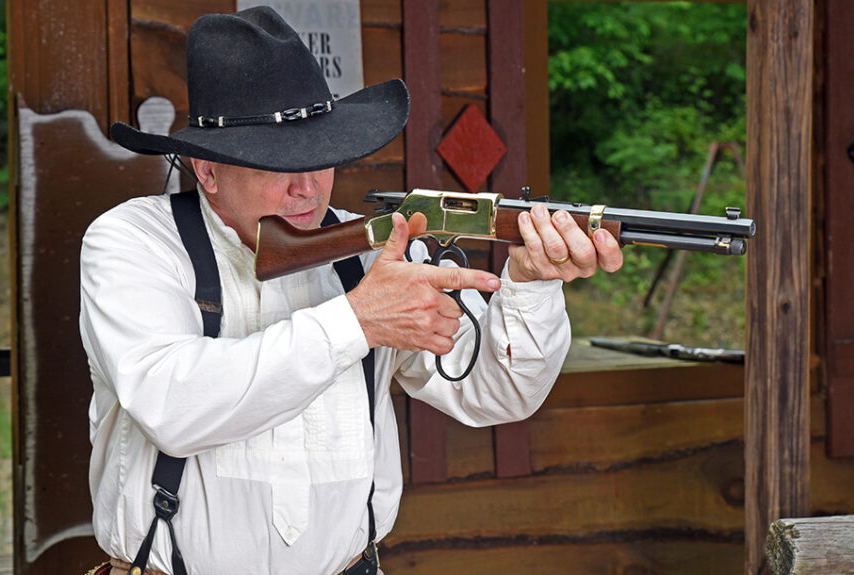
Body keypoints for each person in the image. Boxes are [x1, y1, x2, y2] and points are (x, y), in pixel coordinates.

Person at [80, 6, 622, 575]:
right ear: (207, 170)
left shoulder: (372, 250)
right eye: (276, 163)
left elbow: (495, 393)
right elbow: (173, 404)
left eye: (320, 156)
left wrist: (529, 284)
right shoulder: (133, 241)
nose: (307, 187)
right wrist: (356, 322)